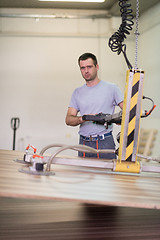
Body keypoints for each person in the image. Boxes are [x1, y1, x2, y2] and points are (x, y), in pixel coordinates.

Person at [65, 53, 123, 159]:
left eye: (89, 67)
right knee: (83, 175)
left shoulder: (112, 88)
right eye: (82, 68)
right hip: (83, 143)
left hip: (104, 142)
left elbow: (129, 112)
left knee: (107, 175)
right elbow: (69, 119)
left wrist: (115, 119)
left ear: (97, 67)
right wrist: (84, 118)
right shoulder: (77, 92)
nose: (86, 71)